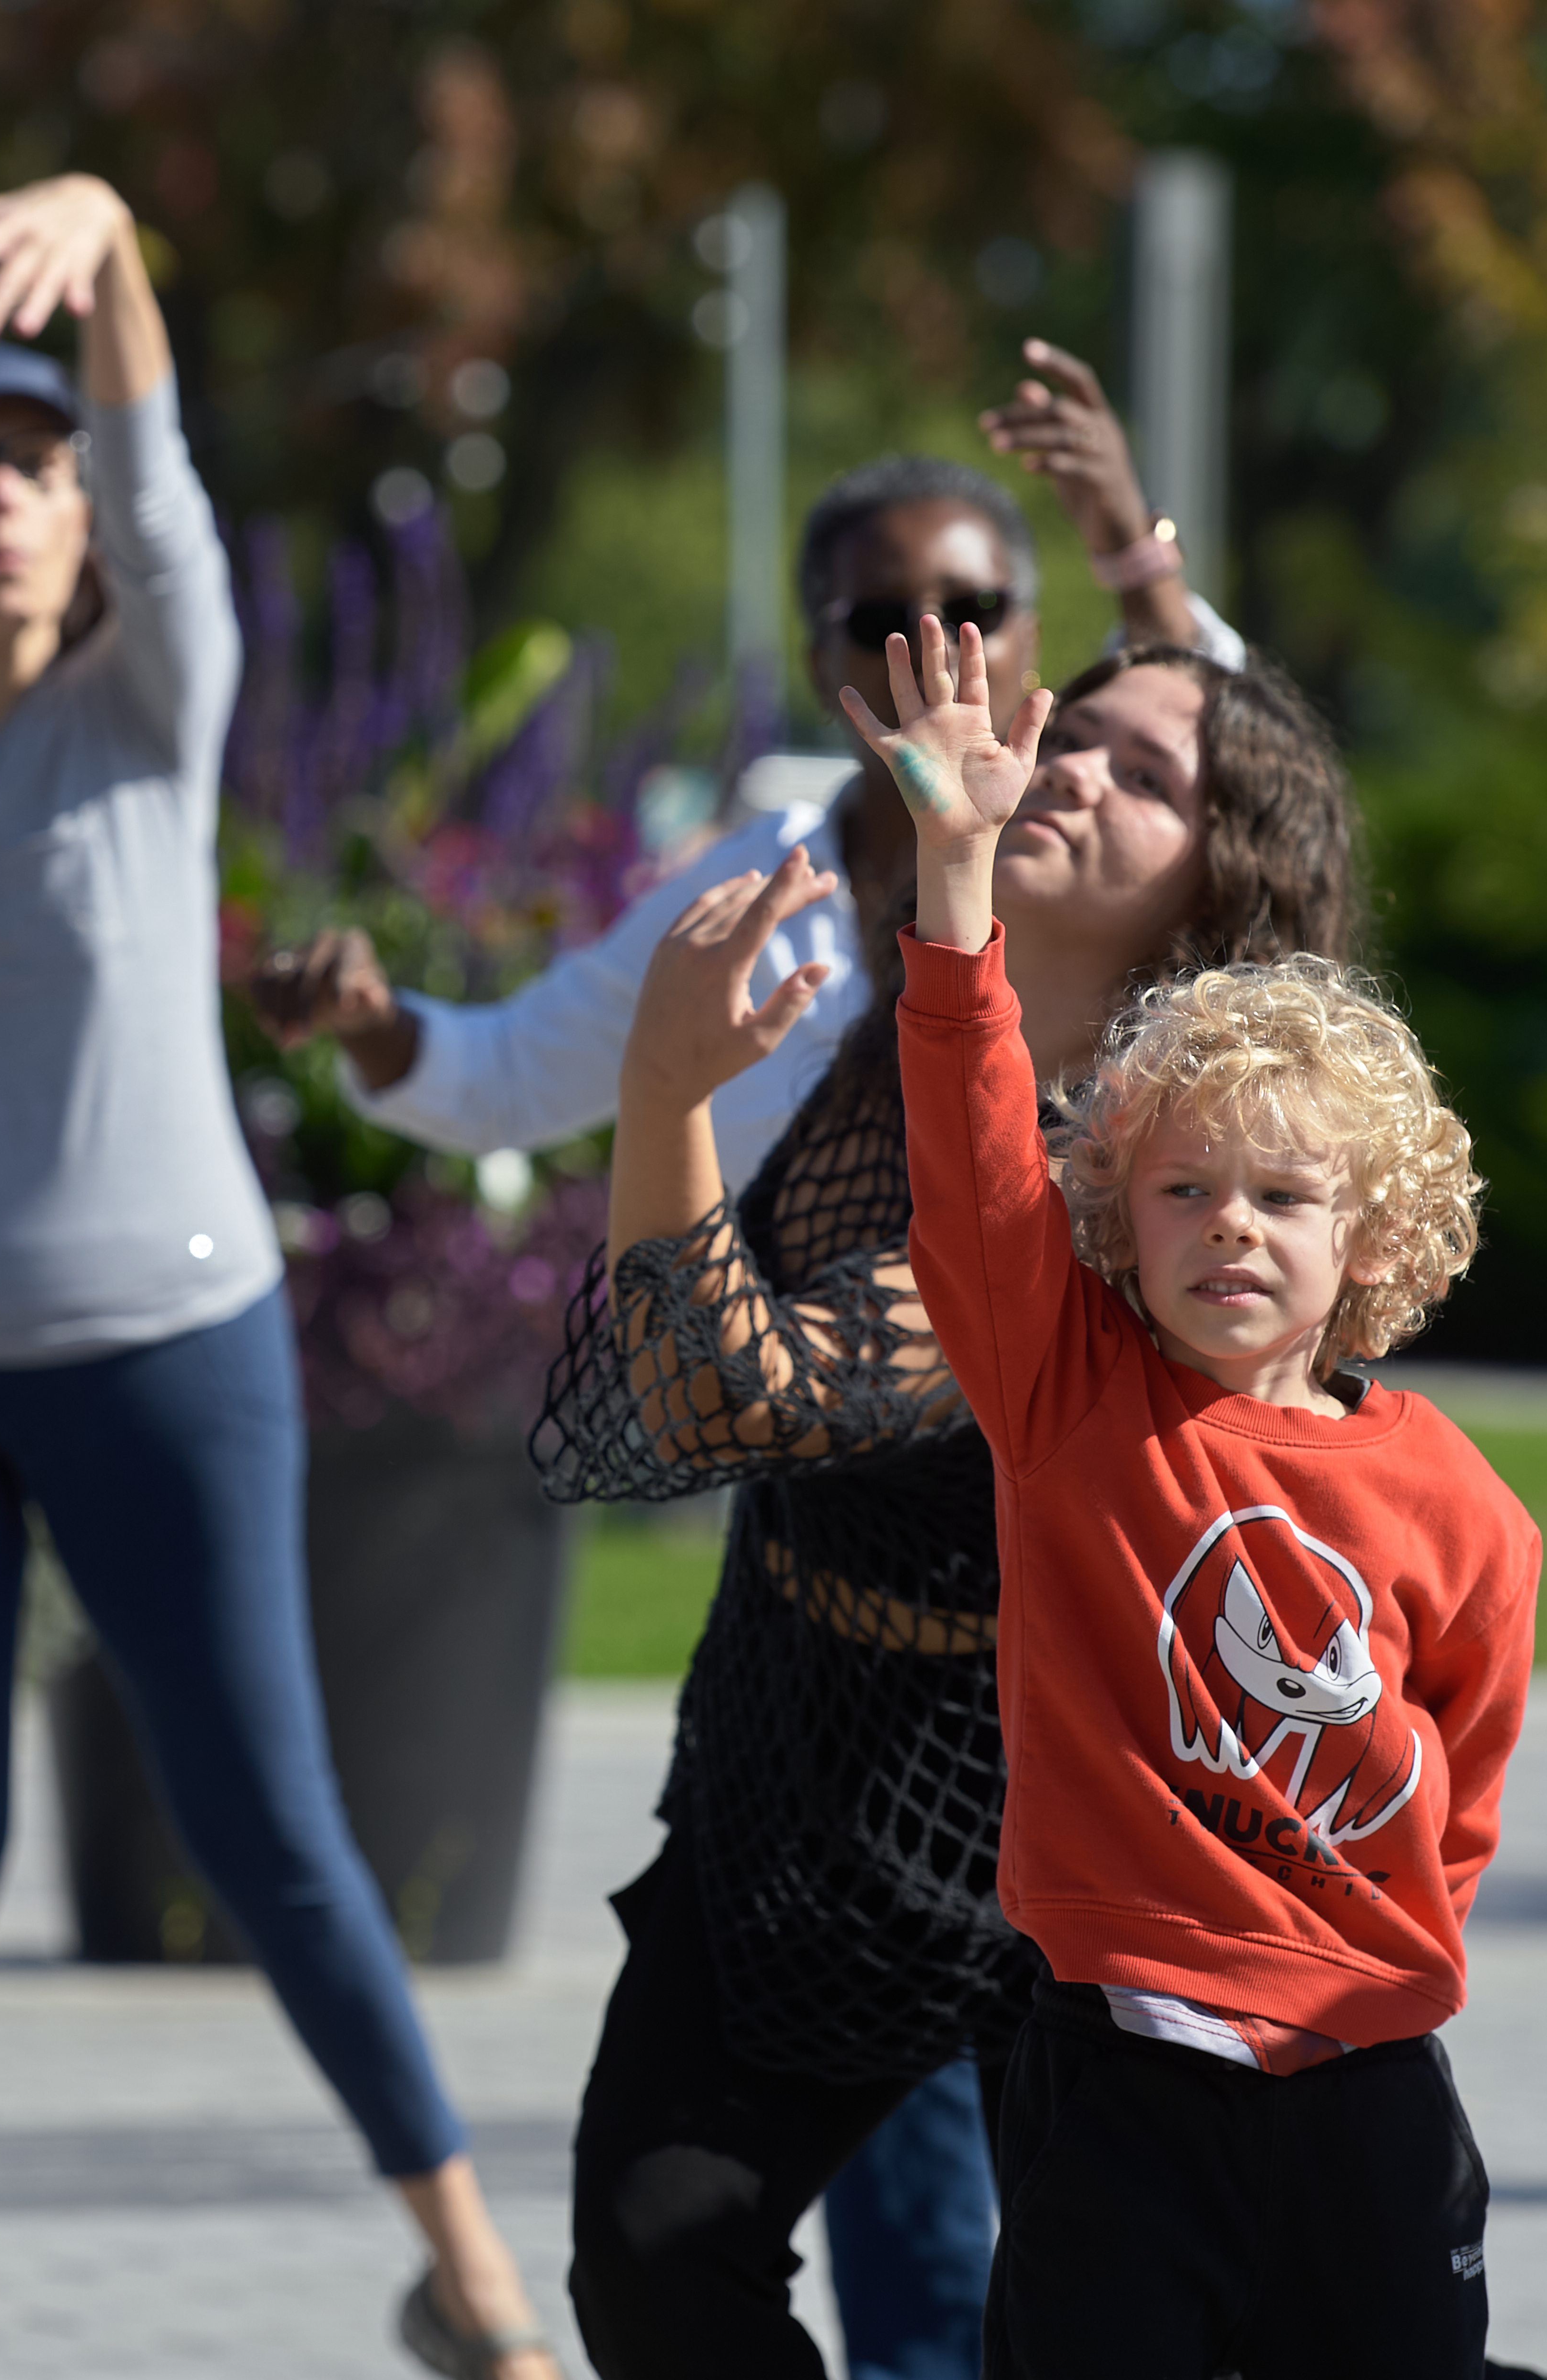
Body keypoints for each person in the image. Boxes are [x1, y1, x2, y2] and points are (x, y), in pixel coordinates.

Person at [0, 174, 556, 2380]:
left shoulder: (153, 693)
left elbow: (162, 484)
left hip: (162, 1343)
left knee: (270, 1831)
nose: (5, 498)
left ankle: (472, 2280)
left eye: (34, 464)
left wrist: (121, 245)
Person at [261, 364, 1244, 2375]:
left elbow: (1233, 765)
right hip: (826, 1670)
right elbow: (516, 1076)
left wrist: (1143, 558)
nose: (936, 650)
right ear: (818, 656)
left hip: (1082, 1695)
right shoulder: (770, 893)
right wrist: (379, 1033)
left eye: (979, 608)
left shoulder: (1148, 926)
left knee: (1095, 2276)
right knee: (736, 2247)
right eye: (884, 618)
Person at [531, 633, 1359, 2378]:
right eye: (1080, 737)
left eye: (1149, 776)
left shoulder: (1149, 1179)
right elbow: (698, 1397)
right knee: (657, 2259)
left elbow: (743, 1395)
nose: (1080, 772)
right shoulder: (904, 1034)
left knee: (1130, 2338)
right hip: (805, 1753)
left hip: (1089, 1799)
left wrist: (665, 1093)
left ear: (1221, 883)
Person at [867, 612, 1538, 2377]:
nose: (1231, 1226)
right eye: (1184, 1190)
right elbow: (973, 1157)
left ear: (1370, 1237)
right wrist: (957, 874)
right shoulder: (1064, 1395)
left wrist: (1368, 1938)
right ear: (1119, 1216)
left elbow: (1460, 1786)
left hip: (1369, 2090)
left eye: (1284, 1197)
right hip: (1122, 2085)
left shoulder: (1466, 1507)